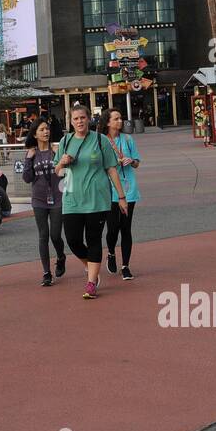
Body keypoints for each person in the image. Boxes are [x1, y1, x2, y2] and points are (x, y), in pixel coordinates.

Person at [54, 104, 127, 300]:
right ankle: (90, 265)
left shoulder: (100, 139)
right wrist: (62, 162)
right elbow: (57, 171)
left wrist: (121, 197)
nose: (79, 121)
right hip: (72, 200)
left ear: (89, 119)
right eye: (76, 119)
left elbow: (112, 169)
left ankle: (92, 282)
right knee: (73, 240)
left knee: (94, 239)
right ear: (70, 121)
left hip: (97, 199)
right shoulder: (65, 141)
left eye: (83, 118)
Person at [22, 117, 65, 287]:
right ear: (34, 134)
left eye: (47, 129)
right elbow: (27, 178)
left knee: (55, 235)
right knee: (43, 235)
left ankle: (61, 257)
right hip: (38, 199)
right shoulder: (31, 153)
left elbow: (64, 172)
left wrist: (60, 157)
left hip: (57, 197)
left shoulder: (56, 150)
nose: (45, 132)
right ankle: (46, 273)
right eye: (41, 129)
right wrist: (27, 159)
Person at [101, 109, 140, 281]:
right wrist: (112, 163)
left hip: (129, 188)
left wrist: (131, 161)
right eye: (116, 118)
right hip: (109, 190)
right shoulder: (102, 141)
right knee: (113, 228)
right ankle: (110, 252)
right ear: (108, 122)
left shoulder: (128, 139)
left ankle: (125, 266)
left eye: (120, 117)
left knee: (126, 227)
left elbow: (137, 163)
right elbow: (97, 164)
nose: (120, 121)